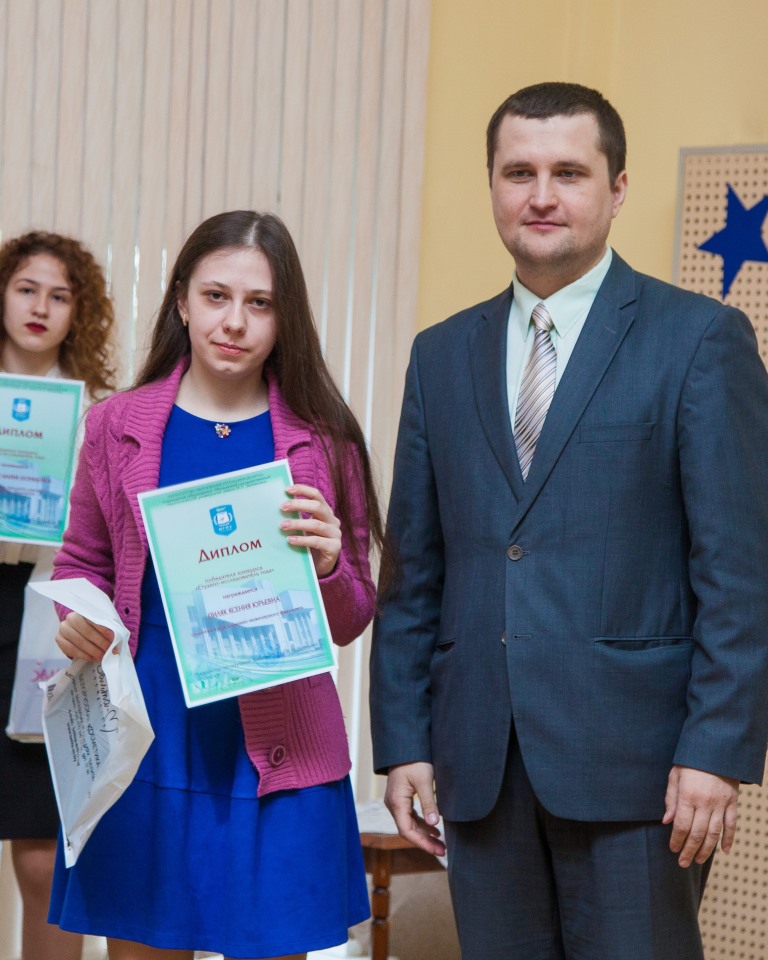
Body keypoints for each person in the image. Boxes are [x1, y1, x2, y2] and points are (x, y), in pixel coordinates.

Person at [370, 82, 768, 960]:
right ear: (492, 185)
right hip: (479, 765)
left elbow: (740, 572)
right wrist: (403, 743)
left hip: (641, 774)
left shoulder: (700, 339)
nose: (541, 195)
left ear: (617, 189)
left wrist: (716, 749)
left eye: (568, 173)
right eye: (519, 172)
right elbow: (414, 572)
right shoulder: (441, 355)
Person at [48, 210, 382, 960]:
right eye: (215, 296)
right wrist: (77, 617)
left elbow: (352, 615)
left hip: (282, 751)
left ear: (285, 317)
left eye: (260, 303)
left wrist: (330, 565)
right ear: (181, 301)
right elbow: (81, 564)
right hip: (151, 740)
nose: (234, 322)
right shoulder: (115, 425)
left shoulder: (327, 439)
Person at [0, 230, 115, 960]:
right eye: (26, 289)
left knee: (44, 854)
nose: (41, 307)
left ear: (80, 312)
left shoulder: (101, 413)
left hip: (50, 618)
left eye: (60, 295)